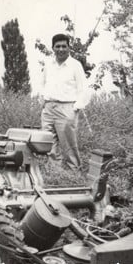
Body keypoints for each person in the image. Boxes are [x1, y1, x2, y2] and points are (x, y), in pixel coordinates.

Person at [39, 33, 91, 170]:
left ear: (69, 48)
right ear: (53, 48)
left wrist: (76, 108)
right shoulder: (48, 65)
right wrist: (44, 102)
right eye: (58, 46)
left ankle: (74, 172)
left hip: (67, 107)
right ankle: (55, 172)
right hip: (49, 108)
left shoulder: (75, 65)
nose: (61, 49)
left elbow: (84, 89)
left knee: (68, 143)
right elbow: (42, 84)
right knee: (48, 142)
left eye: (64, 46)